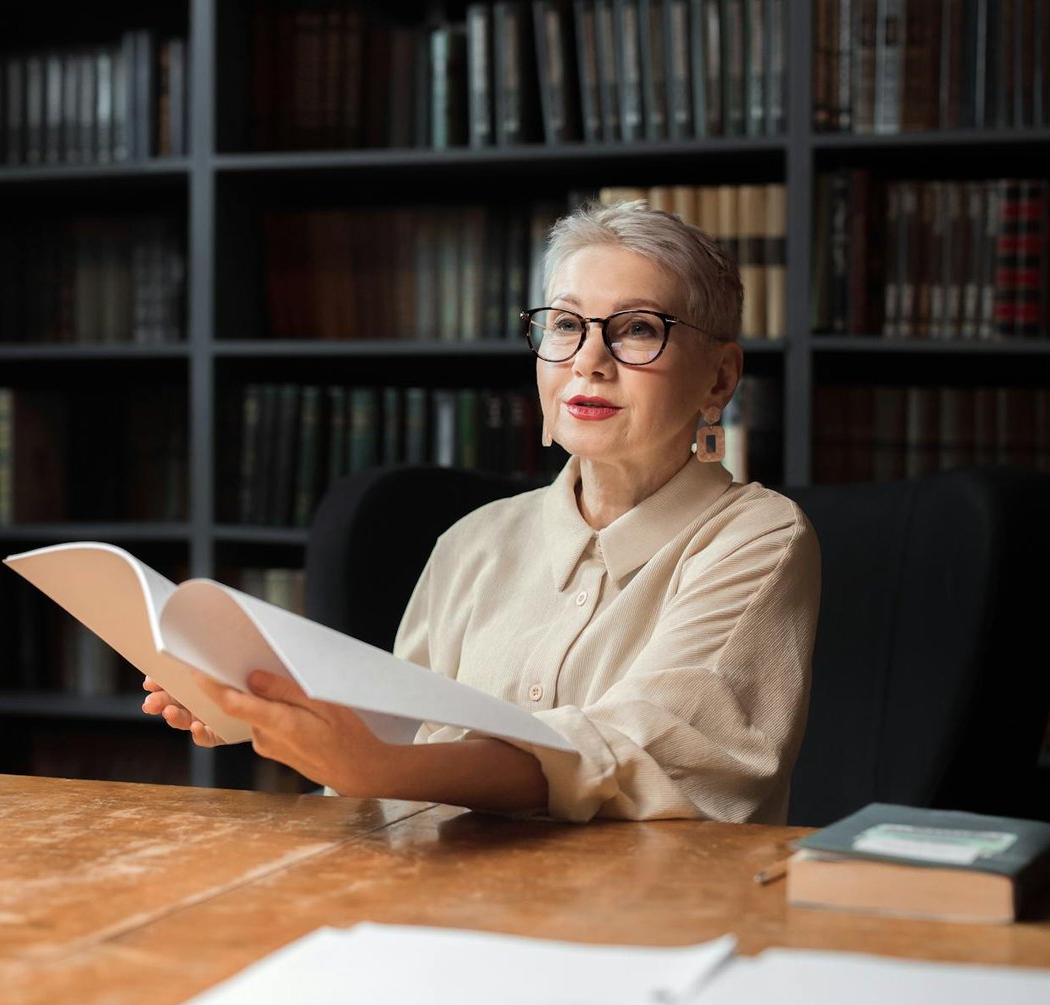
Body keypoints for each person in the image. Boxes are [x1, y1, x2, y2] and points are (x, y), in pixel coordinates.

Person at [144, 200, 820, 823]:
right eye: (565, 325)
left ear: (721, 378)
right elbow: (390, 743)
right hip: (442, 907)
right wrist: (265, 704)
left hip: (645, 922)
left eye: (638, 329)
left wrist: (380, 766)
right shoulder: (475, 540)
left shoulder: (759, 538)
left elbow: (643, 754)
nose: (589, 360)